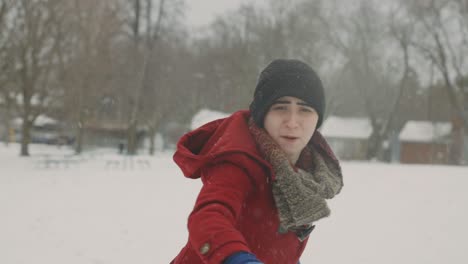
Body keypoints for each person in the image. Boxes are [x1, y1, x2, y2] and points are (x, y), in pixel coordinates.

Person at [170, 59, 343, 264]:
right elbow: (209, 218)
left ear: (318, 118)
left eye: (305, 109)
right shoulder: (239, 160)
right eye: (281, 107)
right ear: (263, 114)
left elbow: (280, 247)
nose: (293, 122)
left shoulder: (307, 174)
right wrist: (238, 259)